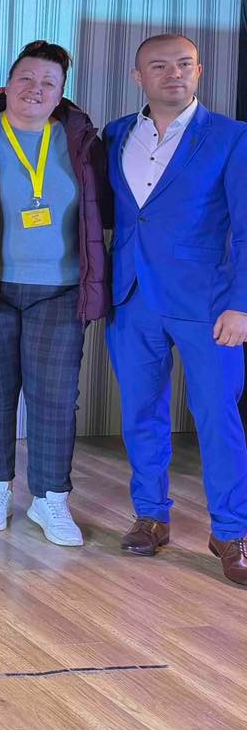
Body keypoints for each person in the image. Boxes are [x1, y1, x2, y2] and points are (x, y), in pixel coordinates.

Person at [103, 33, 247, 585]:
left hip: (207, 305)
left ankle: (231, 532)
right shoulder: (116, 133)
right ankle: (151, 516)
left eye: (184, 64)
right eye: (159, 66)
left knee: (218, 417)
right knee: (141, 413)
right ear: (138, 76)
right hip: (131, 297)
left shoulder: (232, 137)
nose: (174, 74)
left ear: (200, 71)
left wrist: (241, 305)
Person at [0, 41, 110, 547]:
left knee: (55, 398)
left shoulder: (81, 141)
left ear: (61, 94)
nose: (35, 90)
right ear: (7, 84)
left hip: (60, 290)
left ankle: (50, 498)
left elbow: (103, 212)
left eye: (48, 83)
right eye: (26, 78)